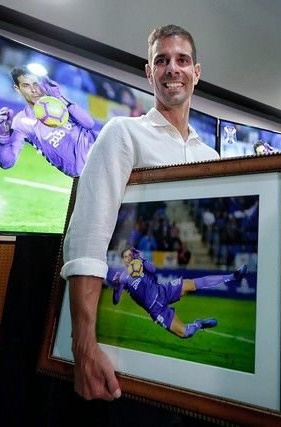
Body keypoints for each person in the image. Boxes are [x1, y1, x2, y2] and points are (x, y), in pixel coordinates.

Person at [60, 25, 219, 402]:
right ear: (149, 72)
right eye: (161, 60)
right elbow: (88, 234)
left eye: (182, 60)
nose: (171, 68)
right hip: (126, 368)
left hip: (191, 377)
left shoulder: (212, 158)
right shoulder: (123, 133)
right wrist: (83, 345)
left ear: (197, 72)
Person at [111, 248, 246, 338]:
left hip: (164, 291)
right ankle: (198, 324)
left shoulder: (140, 264)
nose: (129, 257)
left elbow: (152, 270)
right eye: (126, 256)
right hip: (157, 310)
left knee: (196, 284)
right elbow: (116, 300)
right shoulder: (123, 278)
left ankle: (233, 276)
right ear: (123, 260)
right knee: (185, 333)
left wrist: (141, 259)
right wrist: (117, 287)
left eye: (130, 254)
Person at [0, 66, 97, 177]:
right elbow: (6, 163)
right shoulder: (21, 121)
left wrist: (59, 97)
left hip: (99, 147)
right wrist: (2, 138)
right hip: (86, 172)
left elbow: (89, 123)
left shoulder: (56, 98)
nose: (33, 90)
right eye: (26, 85)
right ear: (17, 89)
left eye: (35, 83)